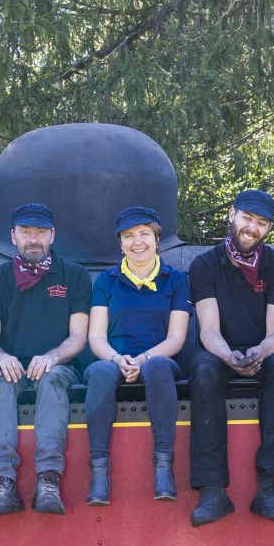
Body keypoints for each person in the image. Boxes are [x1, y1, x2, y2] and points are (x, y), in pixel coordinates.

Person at [185, 188, 274, 525]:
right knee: (203, 371)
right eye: (248, 218)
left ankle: (270, 489)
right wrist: (231, 357)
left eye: (262, 223)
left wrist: (260, 352)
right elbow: (208, 330)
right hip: (219, 350)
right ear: (232, 214)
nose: (252, 228)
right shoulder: (205, 265)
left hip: (263, 350)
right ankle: (212, 491)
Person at [0, 202, 93, 515]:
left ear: (51, 235)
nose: (33, 238)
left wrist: (53, 356)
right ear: (13, 236)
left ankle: (48, 481)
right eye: (26, 232)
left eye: (40, 232)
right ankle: (2, 483)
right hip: (11, 367)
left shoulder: (75, 276)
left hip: (59, 366)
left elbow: (78, 337)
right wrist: (1, 357)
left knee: (52, 377)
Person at [83, 206, 191, 505]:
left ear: (157, 239)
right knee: (102, 371)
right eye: (128, 236)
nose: (137, 242)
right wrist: (118, 359)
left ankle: (163, 468)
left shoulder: (176, 280)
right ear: (120, 243)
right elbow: (96, 336)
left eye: (144, 234)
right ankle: (99, 472)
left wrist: (142, 359)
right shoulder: (106, 281)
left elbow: (176, 338)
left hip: (160, 360)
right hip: (114, 358)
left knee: (157, 366)